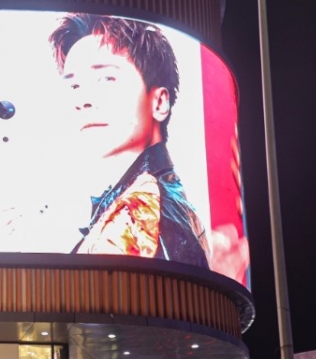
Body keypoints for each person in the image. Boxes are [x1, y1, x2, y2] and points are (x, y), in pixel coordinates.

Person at [48, 14, 211, 269]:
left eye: (105, 79)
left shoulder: (140, 210)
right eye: (75, 86)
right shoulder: (145, 196)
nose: (83, 101)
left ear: (159, 102)